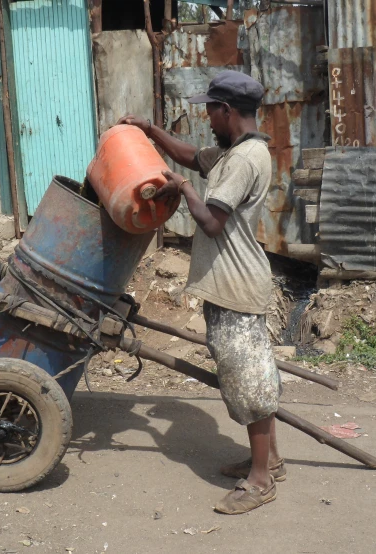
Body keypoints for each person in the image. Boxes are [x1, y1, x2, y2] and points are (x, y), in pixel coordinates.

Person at [118, 70, 284, 515]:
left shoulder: (247, 160)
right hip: (231, 282)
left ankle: (261, 480)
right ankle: (270, 459)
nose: (206, 117)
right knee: (251, 375)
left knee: (250, 384)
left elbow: (211, 221)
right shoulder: (234, 152)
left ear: (227, 111)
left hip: (237, 285)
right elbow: (192, 156)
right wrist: (150, 130)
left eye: (210, 109)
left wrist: (184, 187)